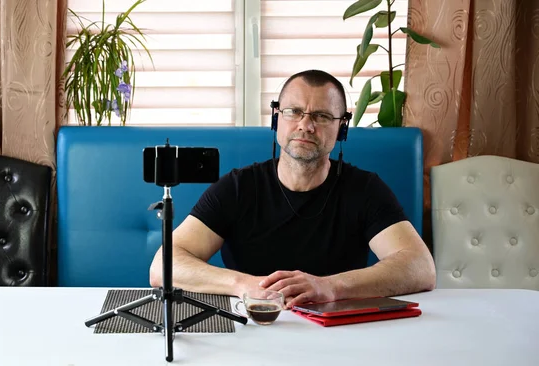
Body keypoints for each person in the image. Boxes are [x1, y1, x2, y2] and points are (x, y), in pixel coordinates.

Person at [149, 69, 436, 309]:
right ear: (277, 118)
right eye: (294, 112)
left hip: (337, 331)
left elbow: (421, 267)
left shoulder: (365, 189)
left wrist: (330, 287)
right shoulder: (238, 187)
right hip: (253, 322)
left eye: (322, 116)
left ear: (342, 128)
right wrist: (244, 285)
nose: (306, 125)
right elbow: (163, 265)